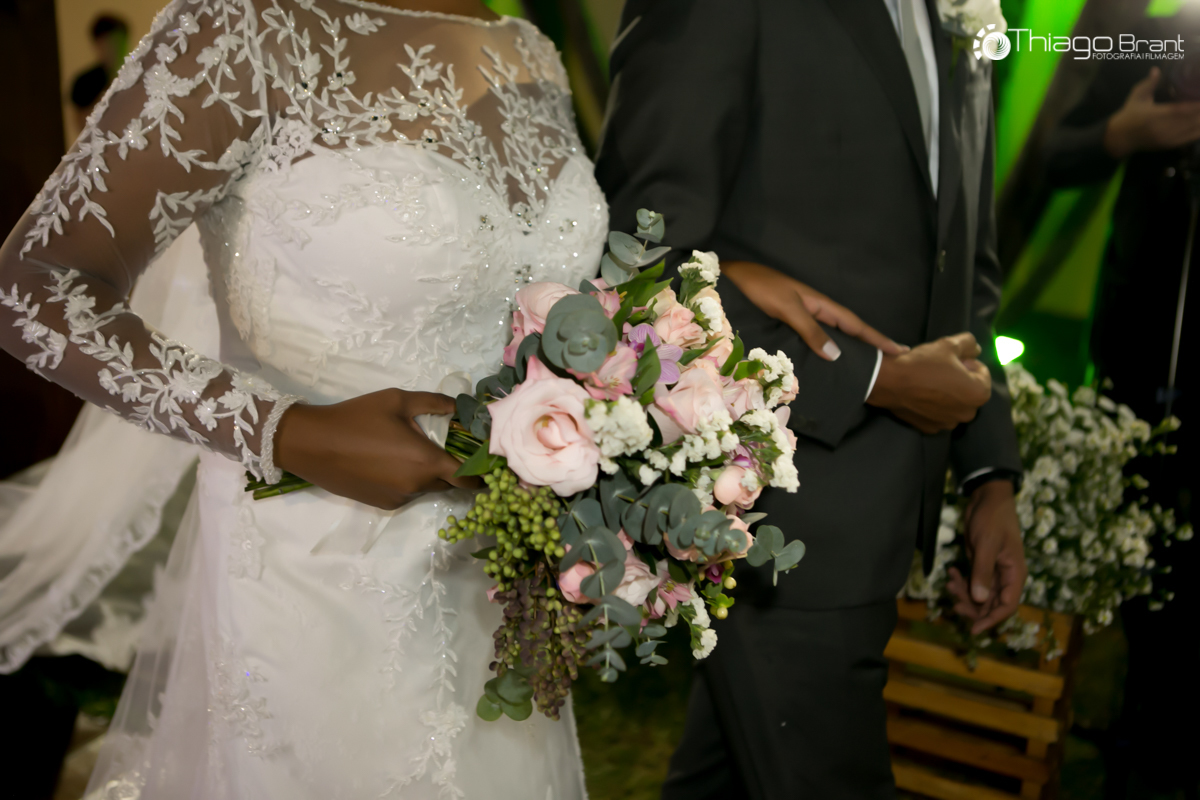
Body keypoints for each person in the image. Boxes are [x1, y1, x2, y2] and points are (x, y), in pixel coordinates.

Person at [0, 0, 607, 796]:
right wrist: (284, 430)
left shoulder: (526, 46)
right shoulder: (239, 30)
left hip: (502, 576)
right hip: (317, 571)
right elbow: (34, 285)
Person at [596, 1, 1026, 797]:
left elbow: (963, 266)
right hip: (772, 509)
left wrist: (988, 474)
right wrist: (871, 377)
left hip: (885, 511)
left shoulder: (965, 12)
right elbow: (639, 255)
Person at [1045, 11, 1200, 797]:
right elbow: (1050, 155)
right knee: (1139, 556)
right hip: (1140, 345)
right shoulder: (1155, 37)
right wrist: (1124, 134)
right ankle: (1138, 733)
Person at [69, 15, 130, 135]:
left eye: (119, 42)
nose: (115, 48)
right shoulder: (85, 81)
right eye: (110, 42)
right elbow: (81, 124)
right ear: (97, 44)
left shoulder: (136, 72)